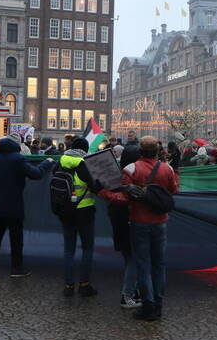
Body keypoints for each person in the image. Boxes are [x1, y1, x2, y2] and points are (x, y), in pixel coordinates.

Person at [98, 136, 179, 321]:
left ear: (140, 151)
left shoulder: (130, 169)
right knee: (159, 264)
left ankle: (148, 305)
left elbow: (123, 199)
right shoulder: (167, 169)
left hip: (139, 221)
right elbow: (174, 190)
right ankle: (158, 304)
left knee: (142, 263)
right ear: (156, 151)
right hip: (161, 222)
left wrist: (103, 192)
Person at [0, 136, 55, 279]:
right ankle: (16, 269)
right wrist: (47, 162)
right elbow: (36, 174)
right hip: (13, 206)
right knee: (16, 239)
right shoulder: (18, 159)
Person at [58, 138, 99, 297]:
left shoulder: (60, 162)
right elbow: (95, 186)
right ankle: (84, 284)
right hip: (84, 211)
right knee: (87, 248)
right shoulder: (84, 164)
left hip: (64, 211)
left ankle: (68, 286)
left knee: (69, 249)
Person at [109, 145, 142, 308]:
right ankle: (127, 295)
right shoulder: (134, 175)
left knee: (129, 258)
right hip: (130, 221)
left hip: (118, 222)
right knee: (133, 259)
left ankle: (134, 292)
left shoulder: (114, 175)